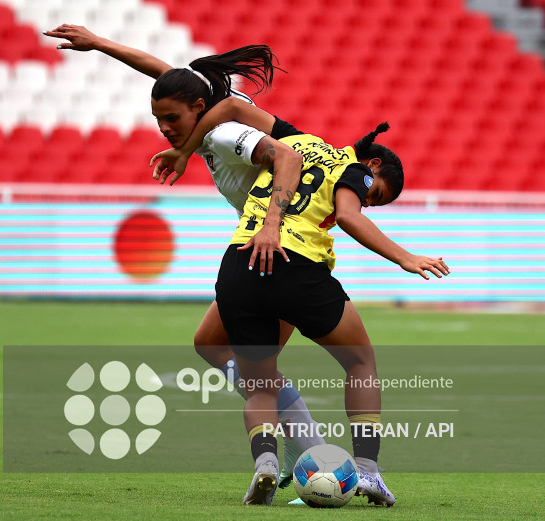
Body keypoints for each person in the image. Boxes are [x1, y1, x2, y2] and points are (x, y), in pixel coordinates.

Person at [44, 24, 331, 487]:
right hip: (274, 246)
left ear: (199, 109)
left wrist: (273, 225)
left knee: (256, 369)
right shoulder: (203, 108)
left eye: (172, 119)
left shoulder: (223, 134)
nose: (164, 128)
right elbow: (161, 71)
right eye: (159, 119)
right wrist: (99, 44)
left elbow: (288, 159)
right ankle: (307, 451)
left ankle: (309, 457)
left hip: (284, 249)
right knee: (211, 344)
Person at [157, 97, 449, 505]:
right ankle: (367, 472)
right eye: (375, 196)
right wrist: (405, 257)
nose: (368, 201)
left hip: (240, 261)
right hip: (295, 266)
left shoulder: (296, 138)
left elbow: (230, 106)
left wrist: (186, 149)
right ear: (374, 166)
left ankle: (265, 464)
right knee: (360, 361)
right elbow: (348, 216)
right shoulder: (354, 170)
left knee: (259, 382)